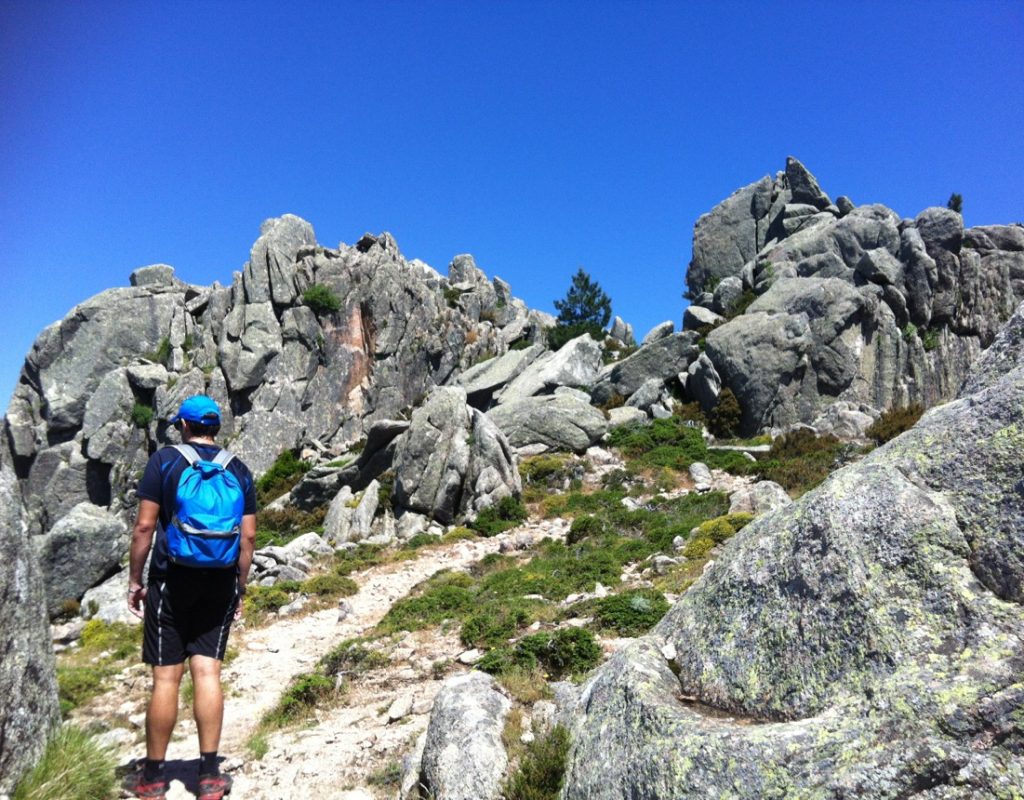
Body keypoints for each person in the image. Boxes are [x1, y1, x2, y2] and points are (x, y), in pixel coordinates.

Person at [123, 395, 256, 800]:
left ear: (183, 425)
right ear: (215, 426)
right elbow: (248, 537)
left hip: (170, 581)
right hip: (218, 583)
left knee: (166, 677)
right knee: (208, 673)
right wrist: (240, 586)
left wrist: (134, 581)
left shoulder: (164, 462)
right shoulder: (239, 468)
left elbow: (144, 528)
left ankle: (153, 778)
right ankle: (211, 775)